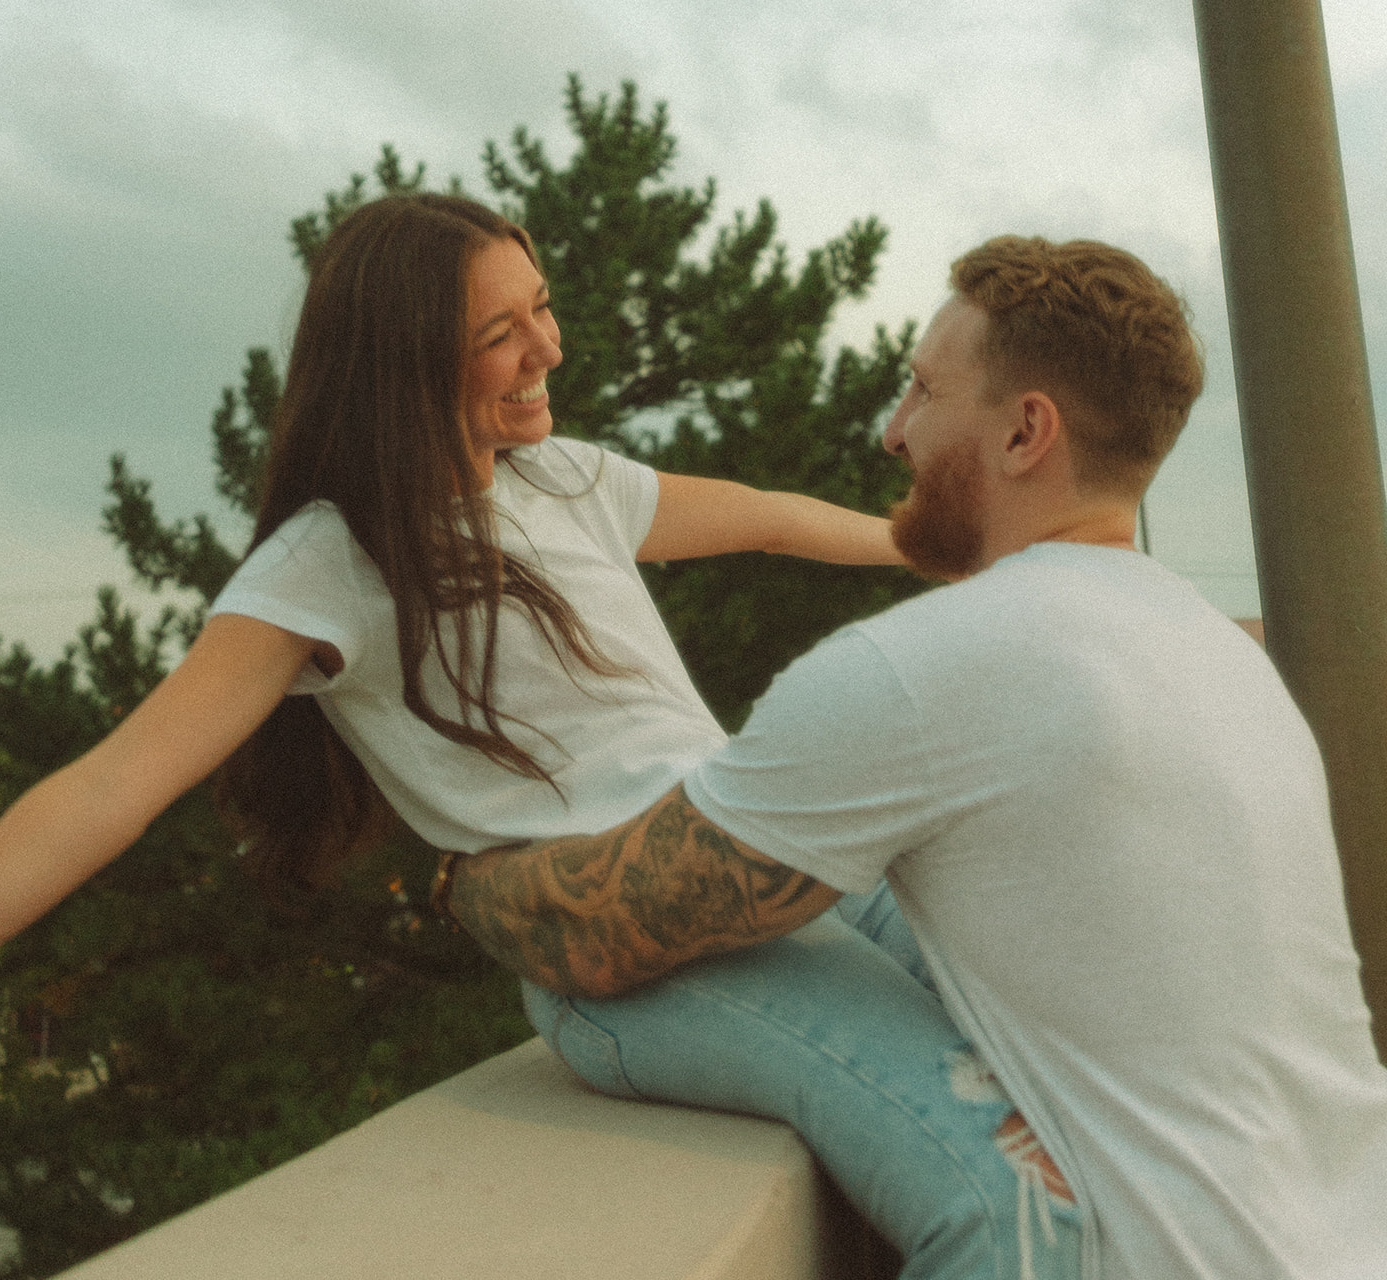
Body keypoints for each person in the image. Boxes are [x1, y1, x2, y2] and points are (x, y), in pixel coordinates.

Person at [0, 195, 1074, 1279]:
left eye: (543, 310)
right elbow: (109, 786)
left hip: (766, 877)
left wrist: (937, 550)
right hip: (638, 964)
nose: (547, 352)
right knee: (1014, 1204)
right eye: (501, 335)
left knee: (1082, 1037)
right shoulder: (332, 562)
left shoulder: (563, 481)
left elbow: (768, 517)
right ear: (404, 359)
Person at [446, 234, 1387, 1279]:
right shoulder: (1224, 659)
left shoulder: (925, 668)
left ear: (1026, 430)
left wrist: (468, 873)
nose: (893, 431)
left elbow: (600, 930)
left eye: (922, 390)